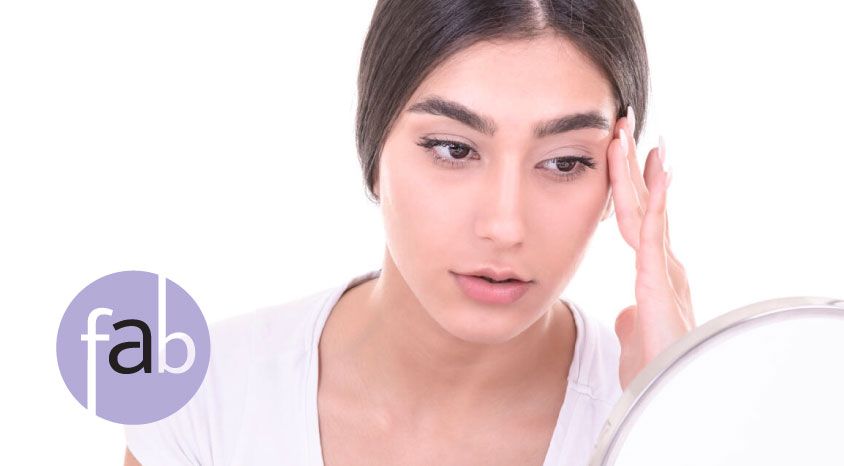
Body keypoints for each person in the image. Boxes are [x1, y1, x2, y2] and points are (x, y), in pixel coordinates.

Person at [124, 0, 694, 464]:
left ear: (618, 178)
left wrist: (683, 401)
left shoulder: (657, 413)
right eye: (453, 149)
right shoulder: (204, 397)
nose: (504, 226)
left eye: (566, 162)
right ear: (373, 147)